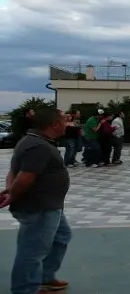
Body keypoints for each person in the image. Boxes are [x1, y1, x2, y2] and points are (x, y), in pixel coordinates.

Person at [1, 108, 71, 294]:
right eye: (65, 120)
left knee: (62, 236)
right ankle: (25, 289)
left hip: (50, 206)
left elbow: (13, 171)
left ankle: (44, 278)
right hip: (40, 208)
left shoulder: (35, 141)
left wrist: (10, 189)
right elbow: (24, 177)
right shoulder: (38, 146)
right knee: (32, 251)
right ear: (54, 124)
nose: (68, 124)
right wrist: (13, 194)